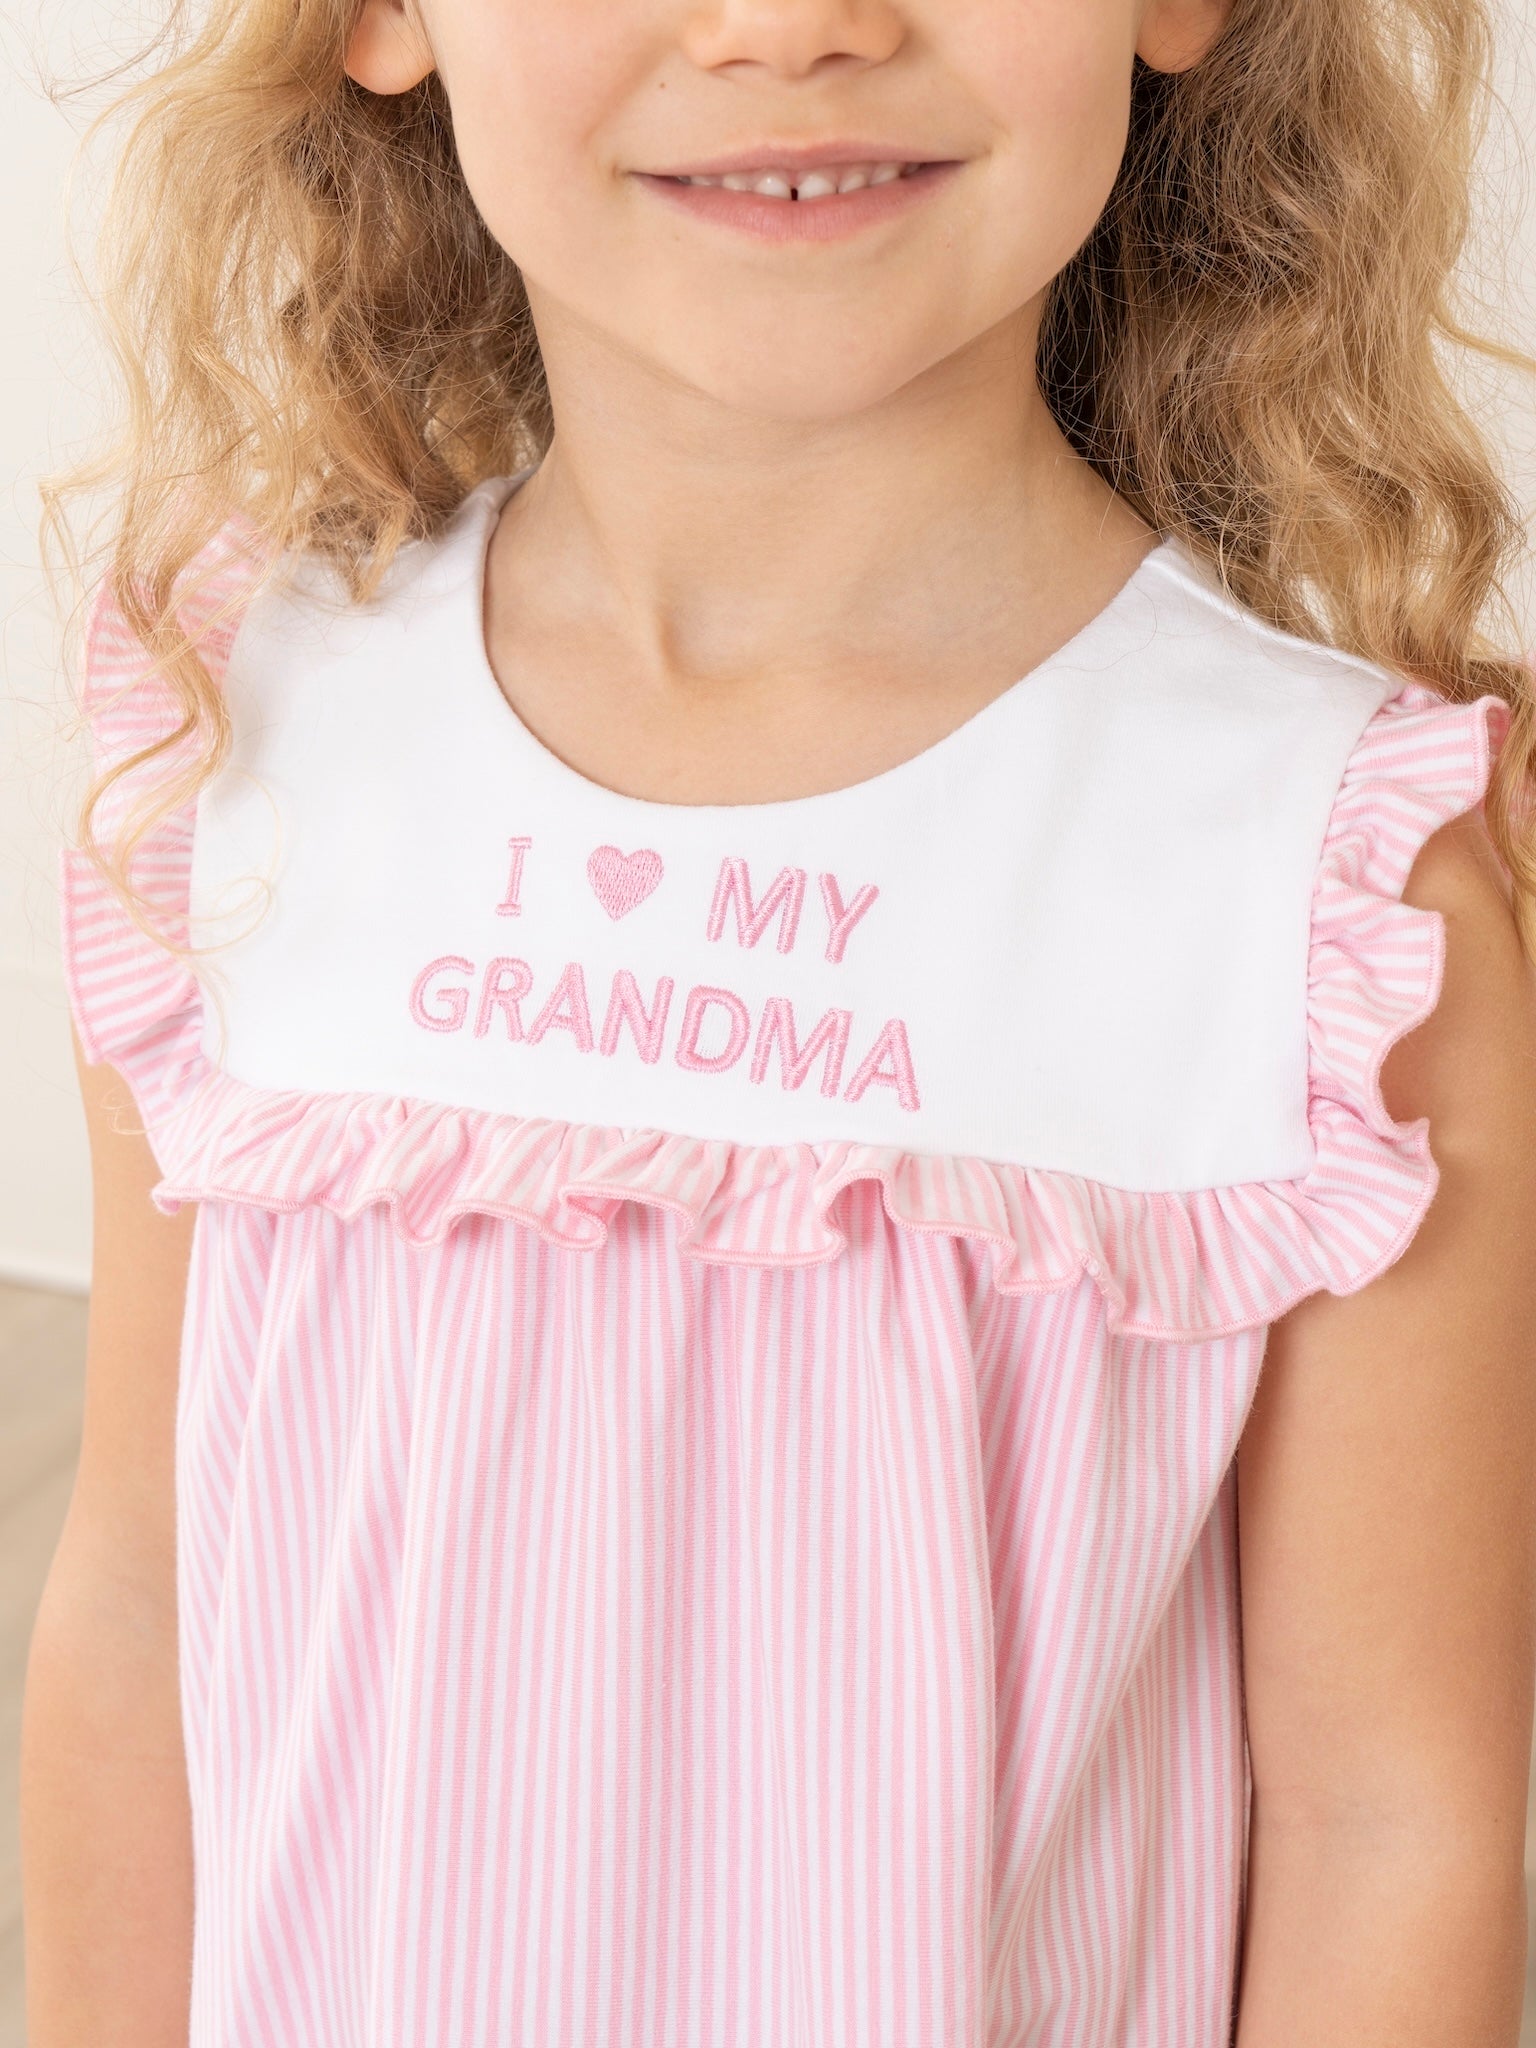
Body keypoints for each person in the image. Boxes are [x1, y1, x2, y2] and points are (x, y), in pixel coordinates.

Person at [20, 0, 1536, 2040]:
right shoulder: (238, 732)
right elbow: (140, 1618)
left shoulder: (1326, 890)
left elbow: (1388, 1819)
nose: (794, 26)